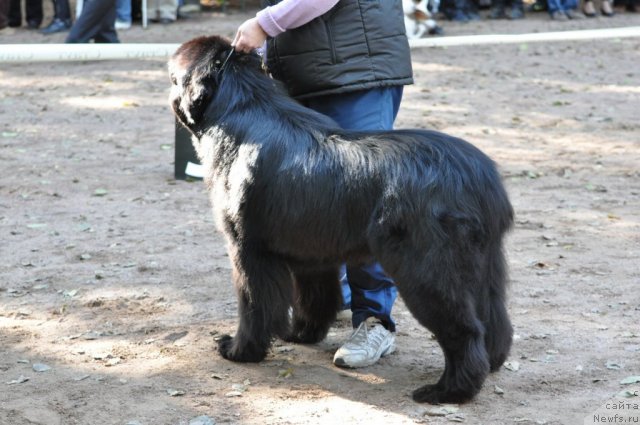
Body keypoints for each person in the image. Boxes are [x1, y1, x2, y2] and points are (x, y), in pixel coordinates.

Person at [232, 0, 413, 369]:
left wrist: (265, 24)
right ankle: (329, 305)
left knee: (367, 199)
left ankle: (375, 321)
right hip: (313, 72)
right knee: (317, 200)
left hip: (354, 72)